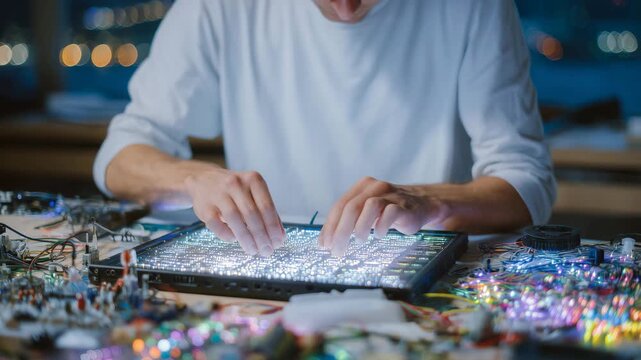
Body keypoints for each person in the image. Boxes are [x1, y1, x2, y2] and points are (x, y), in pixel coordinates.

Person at [94, 0, 556, 257]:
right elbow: (119, 158)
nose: (347, 7)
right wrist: (194, 180)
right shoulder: (217, 7)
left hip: (416, 279)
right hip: (260, 269)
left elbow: (527, 182)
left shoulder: (474, 6)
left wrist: (430, 202)